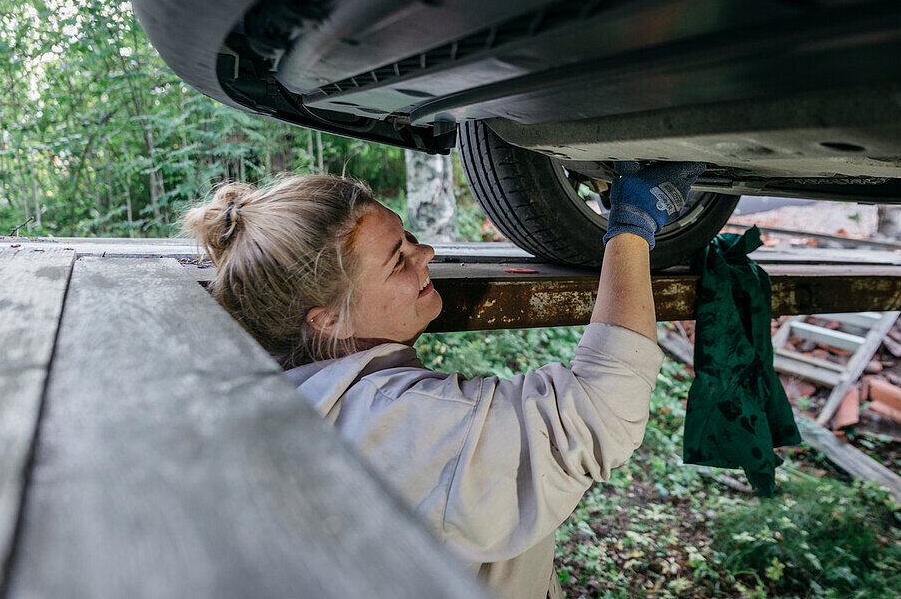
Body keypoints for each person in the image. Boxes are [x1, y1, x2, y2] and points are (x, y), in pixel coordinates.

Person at [183, 162, 705, 599]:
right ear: (329, 320)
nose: (425, 255)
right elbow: (599, 412)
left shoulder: (292, 390)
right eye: (397, 262)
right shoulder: (404, 425)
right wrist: (631, 230)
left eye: (408, 238)